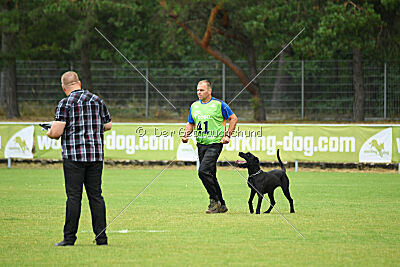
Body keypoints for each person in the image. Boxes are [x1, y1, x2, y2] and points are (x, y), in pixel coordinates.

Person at [46, 71, 112, 246]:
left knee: (74, 197)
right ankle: (101, 238)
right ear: (79, 83)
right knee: (96, 196)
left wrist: (49, 132)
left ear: (63, 87)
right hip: (95, 156)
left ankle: (69, 239)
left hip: (74, 157)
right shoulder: (97, 100)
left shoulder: (65, 103)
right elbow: (108, 125)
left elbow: (57, 132)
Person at [182, 80, 238, 213]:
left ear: (209, 91)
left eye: (201, 90)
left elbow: (233, 118)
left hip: (215, 143)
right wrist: (186, 135)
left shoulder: (219, 104)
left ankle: (214, 201)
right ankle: (222, 205)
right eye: (197, 90)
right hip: (201, 144)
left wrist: (228, 135)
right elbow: (191, 123)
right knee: (211, 175)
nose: (198, 93)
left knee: (202, 171)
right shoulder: (194, 106)